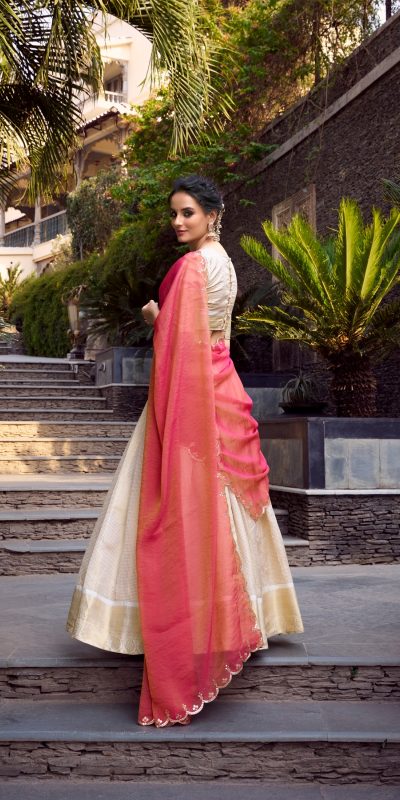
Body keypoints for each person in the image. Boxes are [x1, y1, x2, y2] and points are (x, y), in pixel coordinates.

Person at [66, 174, 303, 728]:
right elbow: (216, 338)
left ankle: (171, 624)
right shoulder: (225, 262)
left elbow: (181, 341)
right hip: (221, 387)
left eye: (188, 213)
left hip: (193, 396)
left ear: (213, 214)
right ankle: (254, 612)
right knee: (227, 502)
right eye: (174, 213)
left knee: (179, 507)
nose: (178, 222)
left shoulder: (195, 266)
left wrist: (156, 319)